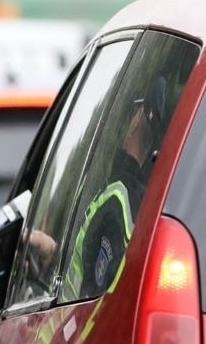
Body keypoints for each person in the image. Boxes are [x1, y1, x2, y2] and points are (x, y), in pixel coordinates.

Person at [64, 75, 168, 298]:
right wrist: (52, 250)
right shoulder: (137, 198)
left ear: (137, 120)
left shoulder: (118, 200)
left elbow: (92, 292)